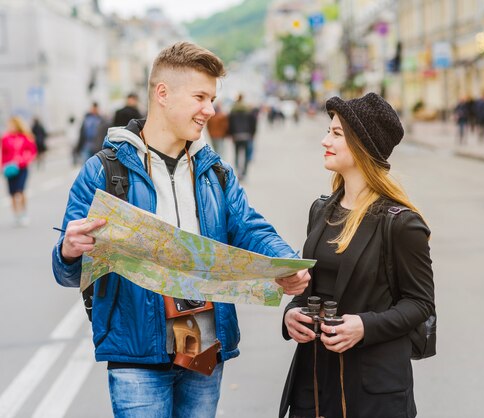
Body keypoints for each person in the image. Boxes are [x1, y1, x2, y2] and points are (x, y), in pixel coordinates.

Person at [51, 41, 310, 417]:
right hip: (137, 346)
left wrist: (285, 261)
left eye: (213, 98)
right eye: (200, 97)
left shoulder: (214, 170)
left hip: (202, 338)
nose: (211, 109)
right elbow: (65, 271)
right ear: (163, 94)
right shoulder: (104, 170)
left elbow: (249, 226)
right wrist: (68, 250)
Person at [279, 92, 435, 418]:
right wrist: (292, 314)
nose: (325, 140)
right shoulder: (321, 210)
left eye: (336, 134)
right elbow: (311, 288)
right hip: (315, 380)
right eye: (329, 130)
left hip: (372, 389)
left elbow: (420, 304)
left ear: (362, 147)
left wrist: (365, 326)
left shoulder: (402, 224)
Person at [1, 116, 37, 226]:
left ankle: (23, 213)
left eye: (12, 125)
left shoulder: (26, 137)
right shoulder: (5, 138)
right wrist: (2, 166)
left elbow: (33, 151)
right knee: (12, 193)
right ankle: (16, 214)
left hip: (22, 168)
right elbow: (3, 154)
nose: (10, 127)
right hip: (9, 169)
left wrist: (24, 160)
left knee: (20, 191)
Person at [227, 94, 257, 179]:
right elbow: (253, 123)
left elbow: (230, 124)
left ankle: (238, 171)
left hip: (236, 136)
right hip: (247, 135)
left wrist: (231, 134)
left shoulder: (233, 109)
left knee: (237, 154)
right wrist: (252, 134)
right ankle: (244, 172)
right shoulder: (248, 109)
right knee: (246, 155)